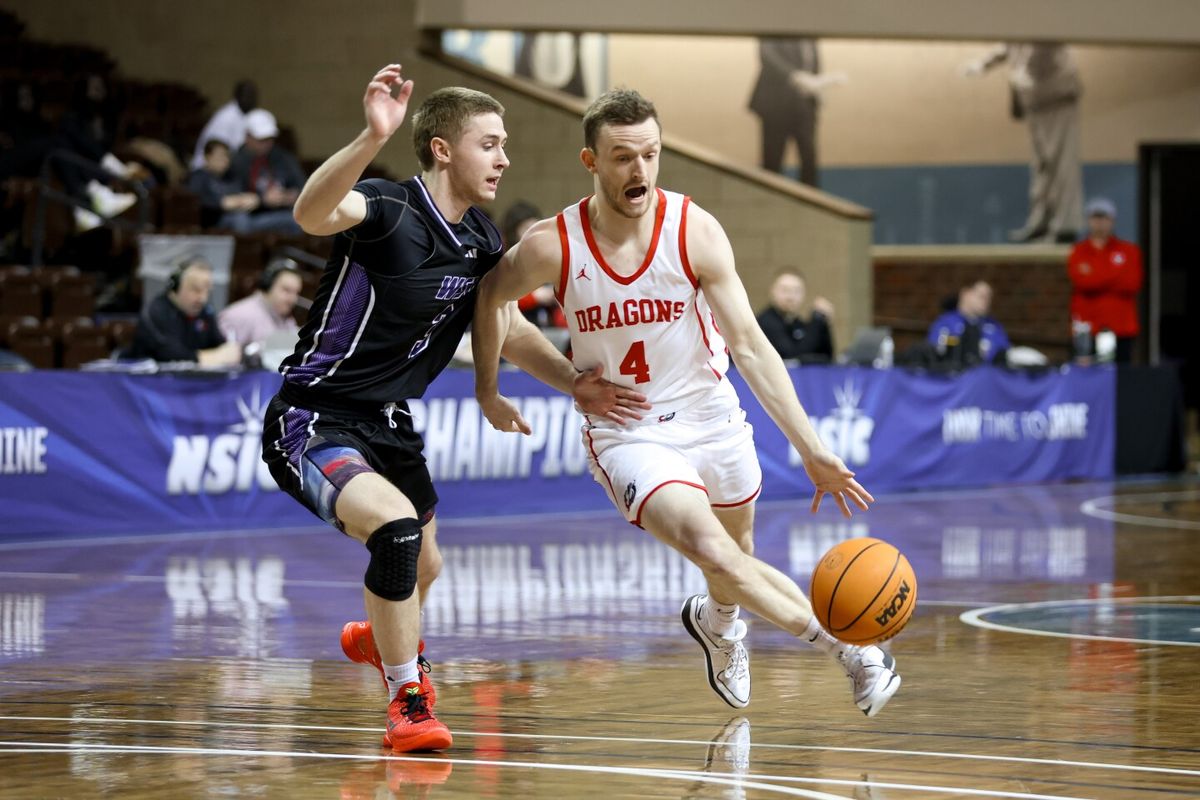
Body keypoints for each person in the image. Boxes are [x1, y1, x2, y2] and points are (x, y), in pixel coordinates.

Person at [472, 89, 900, 718]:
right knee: (711, 548)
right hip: (629, 430)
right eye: (622, 157)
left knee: (735, 555)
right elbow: (490, 300)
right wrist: (510, 386)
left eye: (650, 154)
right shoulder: (553, 243)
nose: (639, 170)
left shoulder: (693, 229)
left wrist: (812, 450)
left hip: (711, 413)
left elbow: (751, 346)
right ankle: (853, 651)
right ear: (591, 160)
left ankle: (719, 623)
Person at [260, 65, 647, 754]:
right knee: (398, 533)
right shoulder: (386, 209)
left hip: (390, 423)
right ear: (443, 149)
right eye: (489, 143)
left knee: (425, 567)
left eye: (504, 145)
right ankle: (408, 699)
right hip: (314, 417)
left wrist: (570, 381)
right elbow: (311, 214)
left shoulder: (482, 240)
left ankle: (381, 641)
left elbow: (508, 326)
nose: (504, 158)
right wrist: (370, 136)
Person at [962, 43, 1083, 243]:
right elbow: (1010, 45)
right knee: (1041, 166)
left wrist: (1018, 77)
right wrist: (983, 64)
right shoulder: (1020, 26)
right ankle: (1042, 221)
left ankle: (1066, 225)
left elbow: (1038, 58)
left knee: (1061, 162)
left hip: (1056, 96)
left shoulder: (1042, 24)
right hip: (1036, 100)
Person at [748, 37, 845, 187]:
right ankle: (770, 202)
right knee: (773, 162)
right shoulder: (774, 27)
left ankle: (812, 201)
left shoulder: (810, 36)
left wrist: (817, 88)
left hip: (805, 106)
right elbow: (768, 56)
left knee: (809, 159)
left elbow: (811, 65)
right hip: (776, 106)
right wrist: (796, 77)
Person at [1067, 197, 1143, 363]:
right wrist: (1114, 274)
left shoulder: (1129, 251)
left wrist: (1095, 274)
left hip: (1121, 327)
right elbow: (1082, 283)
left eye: (1104, 218)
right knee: (1085, 377)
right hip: (1087, 327)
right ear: (1089, 220)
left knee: (1120, 376)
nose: (1100, 223)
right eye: (1096, 217)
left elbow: (1131, 284)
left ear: (1112, 220)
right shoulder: (1079, 251)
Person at [126, 257, 242, 365]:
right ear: (175, 287)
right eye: (196, 290)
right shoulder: (156, 312)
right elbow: (173, 358)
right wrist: (215, 357)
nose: (203, 298)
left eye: (207, 291)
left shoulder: (205, 312)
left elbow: (222, 347)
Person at [225, 109, 305, 234]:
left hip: (281, 212)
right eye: (261, 140)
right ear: (248, 137)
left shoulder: (283, 158)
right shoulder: (235, 161)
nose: (267, 144)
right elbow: (232, 196)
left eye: (270, 139)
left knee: (300, 220)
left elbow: (302, 187)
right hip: (250, 216)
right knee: (240, 221)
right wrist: (262, 200)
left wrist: (289, 196)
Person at [217, 258, 302, 349]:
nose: (292, 299)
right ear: (268, 285)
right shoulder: (238, 315)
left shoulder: (286, 319)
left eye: (296, 293)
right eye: (286, 290)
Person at [755, 268, 834, 363]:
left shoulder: (797, 323)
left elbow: (826, 357)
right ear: (772, 291)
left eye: (796, 291)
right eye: (785, 290)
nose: (790, 297)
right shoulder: (766, 321)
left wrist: (823, 322)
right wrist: (816, 321)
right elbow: (792, 355)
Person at [927, 280, 1010, 366]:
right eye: (982, 296)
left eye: (989, 298)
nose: (986, 301)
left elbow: (1005, 353)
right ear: (965, 294)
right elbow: (936, 348)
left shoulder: (994, 326)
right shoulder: (945, 322)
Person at [186, 139, 261, 229]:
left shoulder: (232, 176)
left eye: (228, 156)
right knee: (240, 219)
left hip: (247, 217)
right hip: (214, 222)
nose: (225, 160)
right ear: (207, 157)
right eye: (221, 156)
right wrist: (220, 203)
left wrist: (256, 199)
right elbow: (194, 201)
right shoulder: (199, 177)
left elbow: (246, 194)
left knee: (281, 218)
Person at [191, 80, 258, 169]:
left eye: (253, 96)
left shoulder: (246, 115)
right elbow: (217, 151)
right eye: (247, 96)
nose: (250, 100)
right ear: (237, 96)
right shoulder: (226, 117)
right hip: (206, 168)